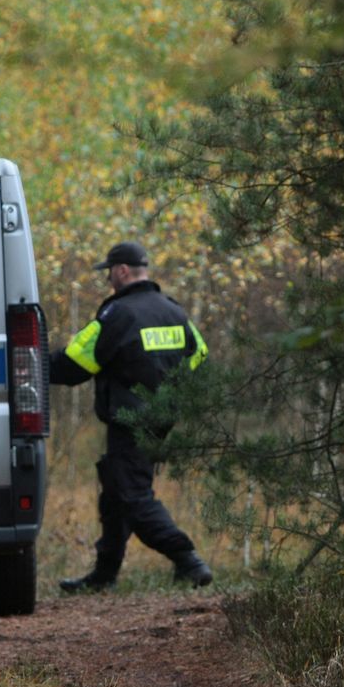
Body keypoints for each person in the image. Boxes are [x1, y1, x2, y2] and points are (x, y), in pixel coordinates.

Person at [50, 240, 213, 592]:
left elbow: (73, 364)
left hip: (129, 419)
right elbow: (199, 357)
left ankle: (188, 560)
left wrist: (29, 365)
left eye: (109, 271)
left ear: (122, 271)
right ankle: (104, 576)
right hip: (161, 420)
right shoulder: (174, 311)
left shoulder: (117, 315)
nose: (109, 278)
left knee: (132, 495)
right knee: (115, 490)